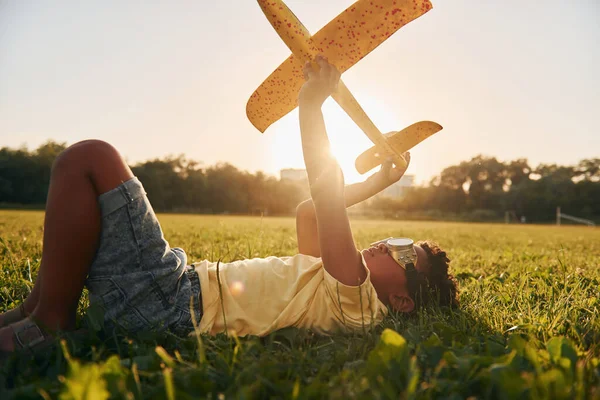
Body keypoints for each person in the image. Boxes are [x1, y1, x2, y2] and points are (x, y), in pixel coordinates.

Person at [0, 56, 457, 355]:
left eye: (402, 253)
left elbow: (324, 189)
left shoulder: (357, 298)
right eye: (399, 239)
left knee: (91, 158)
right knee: (87, 163)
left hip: (174, 304)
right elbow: (310, 211)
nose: (388, 243)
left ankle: (51, 319)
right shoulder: (330, 284)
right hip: (174, 295)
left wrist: (311, 106)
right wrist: (379, 180)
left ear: (402, 298)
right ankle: (37, 307)